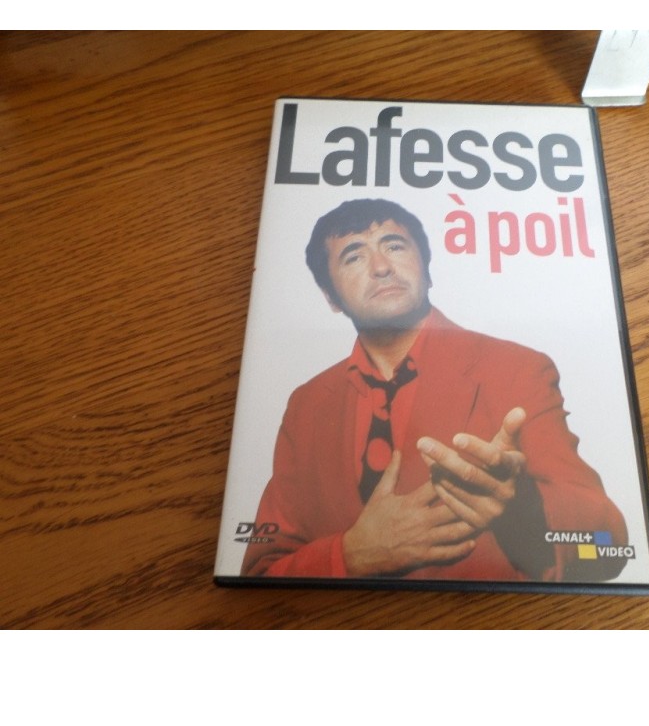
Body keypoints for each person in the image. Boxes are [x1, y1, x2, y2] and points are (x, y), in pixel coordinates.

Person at [241, 198, 627, 583]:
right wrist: (348, 556)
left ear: (427, 271)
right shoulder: (307, 404)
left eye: (394, 246)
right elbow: (261, 572)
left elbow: (608, 546)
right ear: (330, 298)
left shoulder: (517, 369)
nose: (381, 267)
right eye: (353, 257)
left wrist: (522, 506)